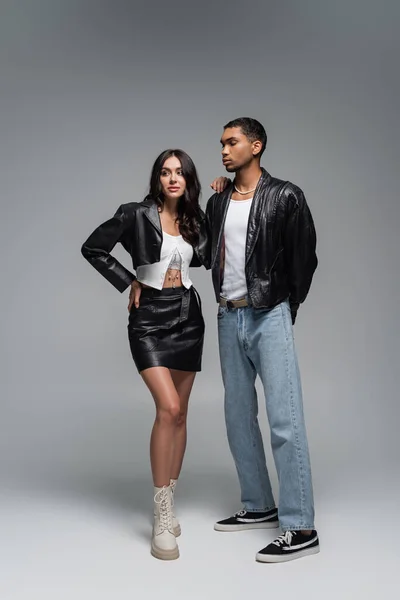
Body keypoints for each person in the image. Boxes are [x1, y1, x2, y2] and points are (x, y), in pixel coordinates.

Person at [81, 149, 219, 561]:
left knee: (181, 414)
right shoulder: (135, 213)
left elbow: (210, 259)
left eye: (179, 173)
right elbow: (94, 248)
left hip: (188, 315)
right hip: (149, 318)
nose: (172, 178)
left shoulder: (195, 218)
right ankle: (161, 514)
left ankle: (169, 501)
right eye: (165, 172)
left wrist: (221, 198)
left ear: (188, 178)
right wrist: (129, 282)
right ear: (157, 178)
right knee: (168, 407)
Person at [207, 117, 320, 562]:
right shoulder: (220, 201)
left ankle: (300, 526)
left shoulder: (286, 195)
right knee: (237, 417)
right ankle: (258, 505)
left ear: (256, 146)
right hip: (227, 316)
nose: (223, 149)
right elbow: (204, 252)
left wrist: (283, 309)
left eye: (231, 142)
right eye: (221, 143)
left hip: (268, 314)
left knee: (284, 419)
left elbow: (304, 258)